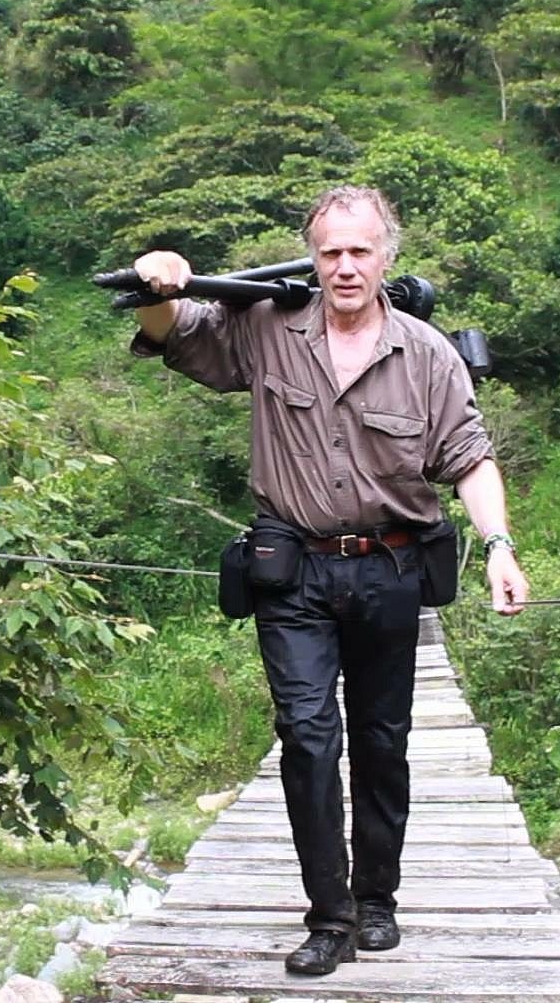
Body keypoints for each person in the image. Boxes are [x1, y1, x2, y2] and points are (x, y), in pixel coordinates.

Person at [127, 185, 529, 975]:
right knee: (308, 740)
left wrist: (499, 545)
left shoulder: (428, 353)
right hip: (293, 571)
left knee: (383, 743)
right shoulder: (268, 326)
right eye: (330, 252)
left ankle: (378, 900)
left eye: (360, 251)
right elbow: (178, 334)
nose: (345, 267)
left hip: (391, 569)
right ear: (313, 257)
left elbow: (470, 458)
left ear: (387, 255)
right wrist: (158, 284)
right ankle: (330, 917)